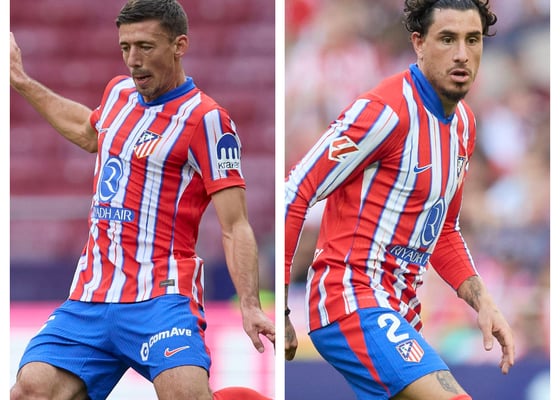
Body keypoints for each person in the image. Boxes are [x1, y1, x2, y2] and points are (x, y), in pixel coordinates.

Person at [9, 0, 274, 399]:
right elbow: (89, 131)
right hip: (92, 294)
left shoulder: (207, 120)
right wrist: (21, 81)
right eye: (125, 47)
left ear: (179, 45)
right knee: (31, 390)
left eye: (145, 47)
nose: (133, 59)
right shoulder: (118, 93)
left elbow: (235, 225)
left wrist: (250, 305)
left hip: (161, 296)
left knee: (185, 394)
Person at [284, 1, 515, 399]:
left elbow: (443, 231)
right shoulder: (383, 111)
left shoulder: (463, 124)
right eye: (448, 39)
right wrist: (281, 310)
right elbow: (295, 190)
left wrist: (483, 302)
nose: (462, 54)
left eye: (472, 40)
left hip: (401, 310)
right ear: (419, 44)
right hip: (351, 297)